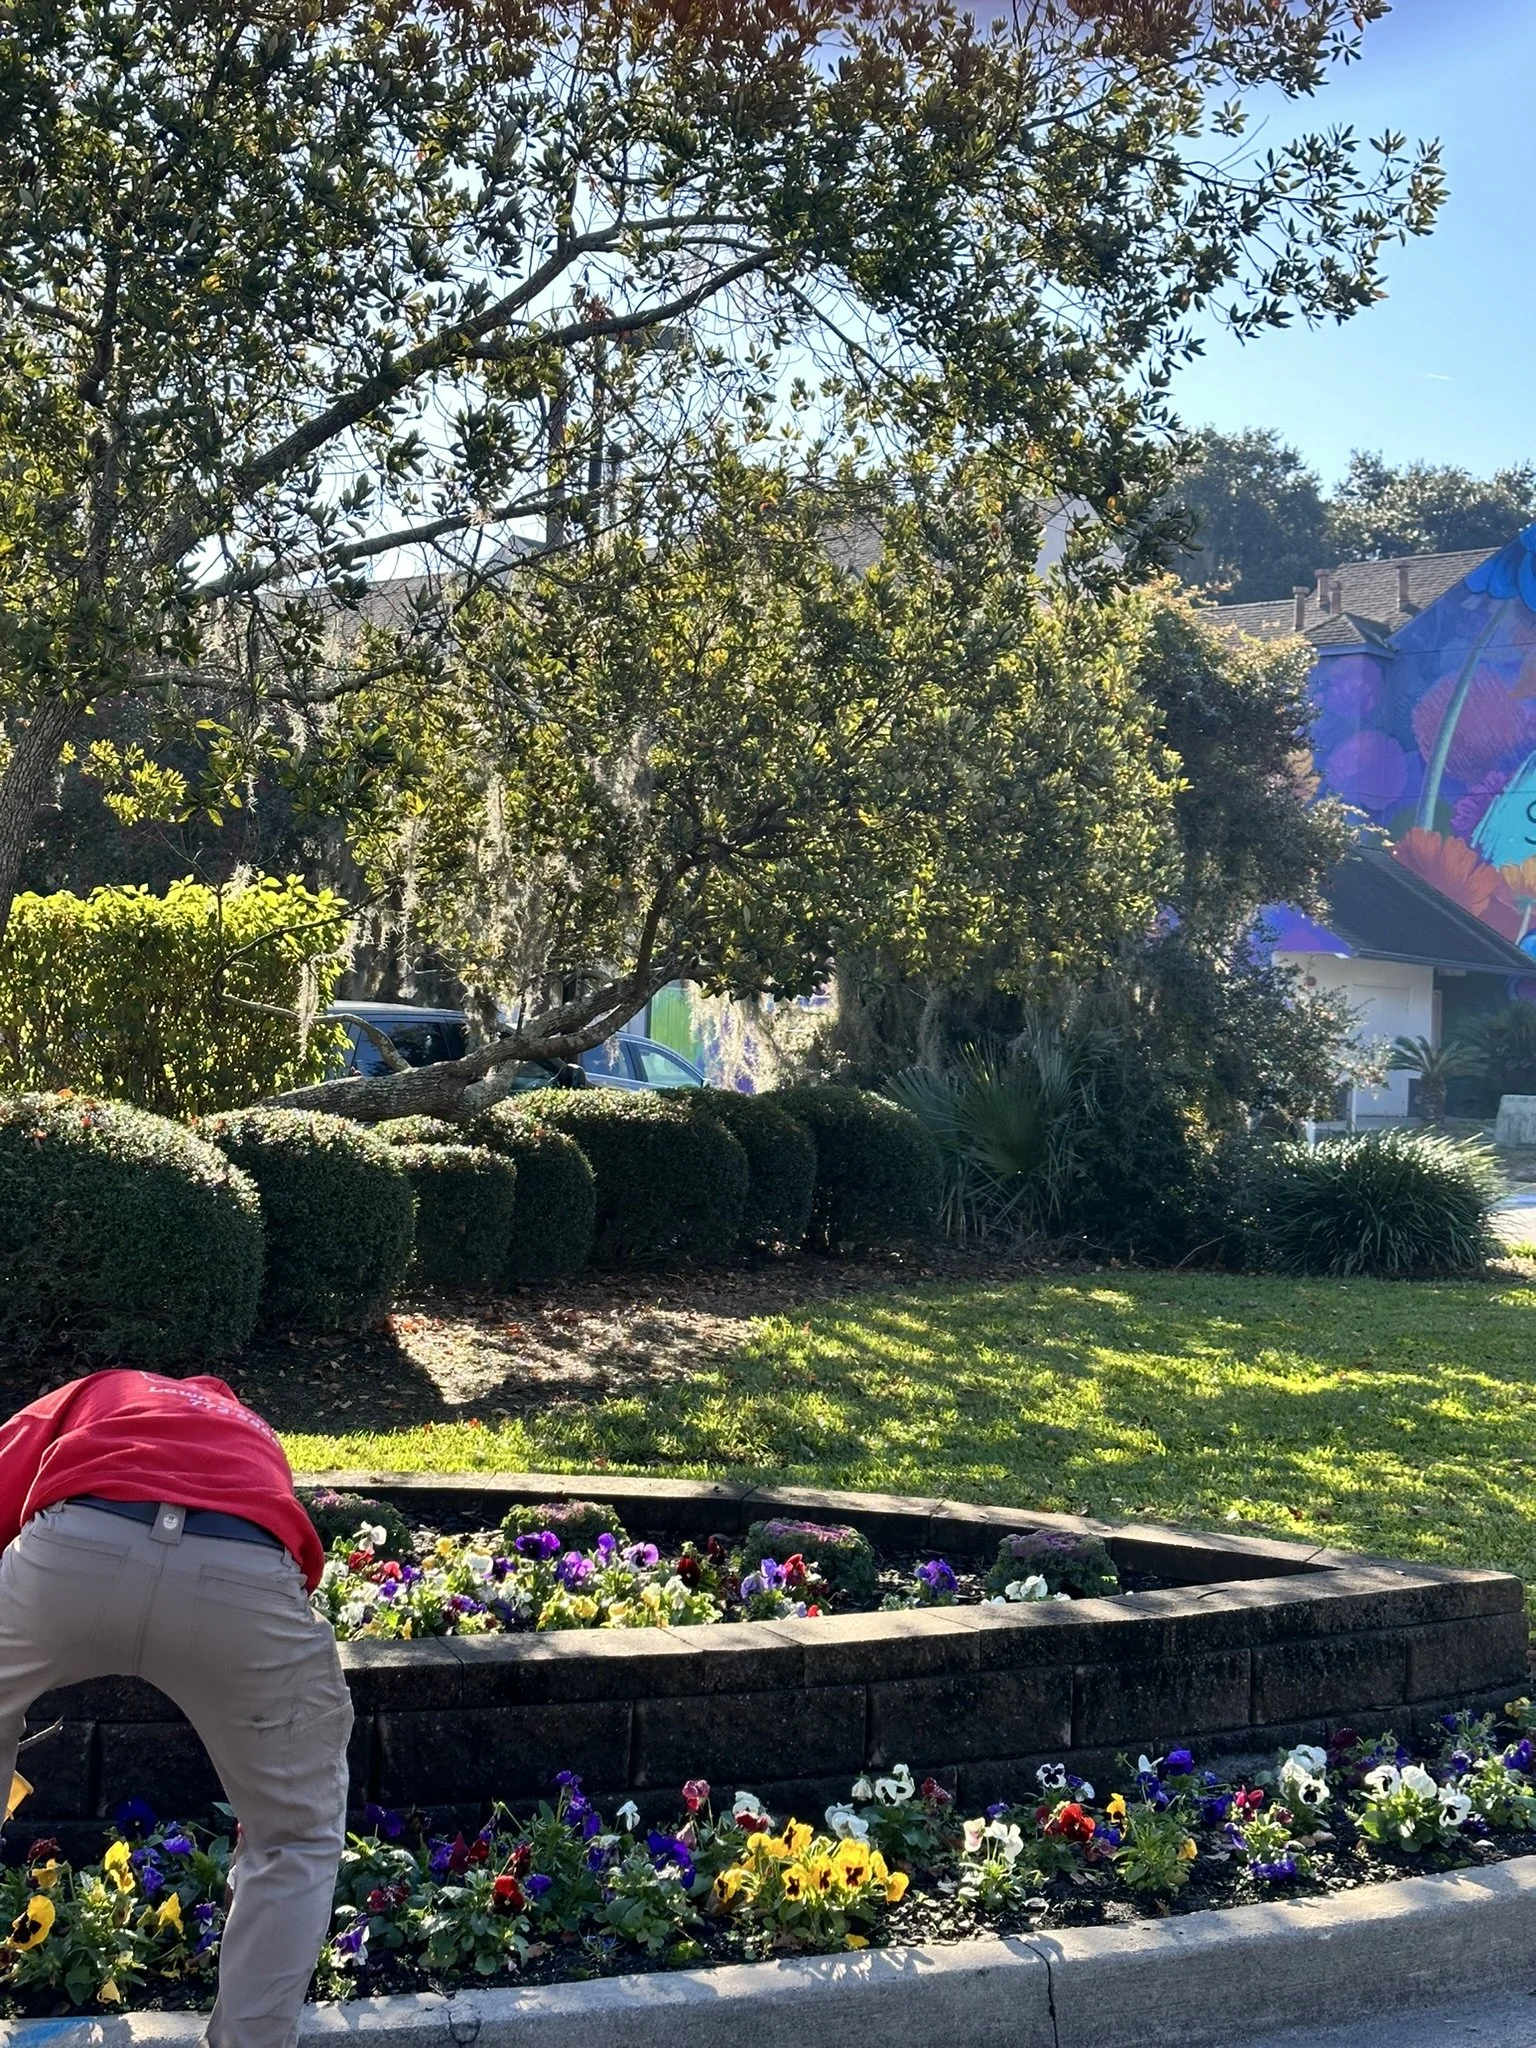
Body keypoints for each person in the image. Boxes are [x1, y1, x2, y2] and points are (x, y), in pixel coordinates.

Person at [0, 1368, 350, 2048]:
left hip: (77, 1546)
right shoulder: (256, 1435)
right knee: (296, 1835)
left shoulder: (103, 1390)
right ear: (225, 1404)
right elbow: (297, 1560)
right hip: (243, 1577)